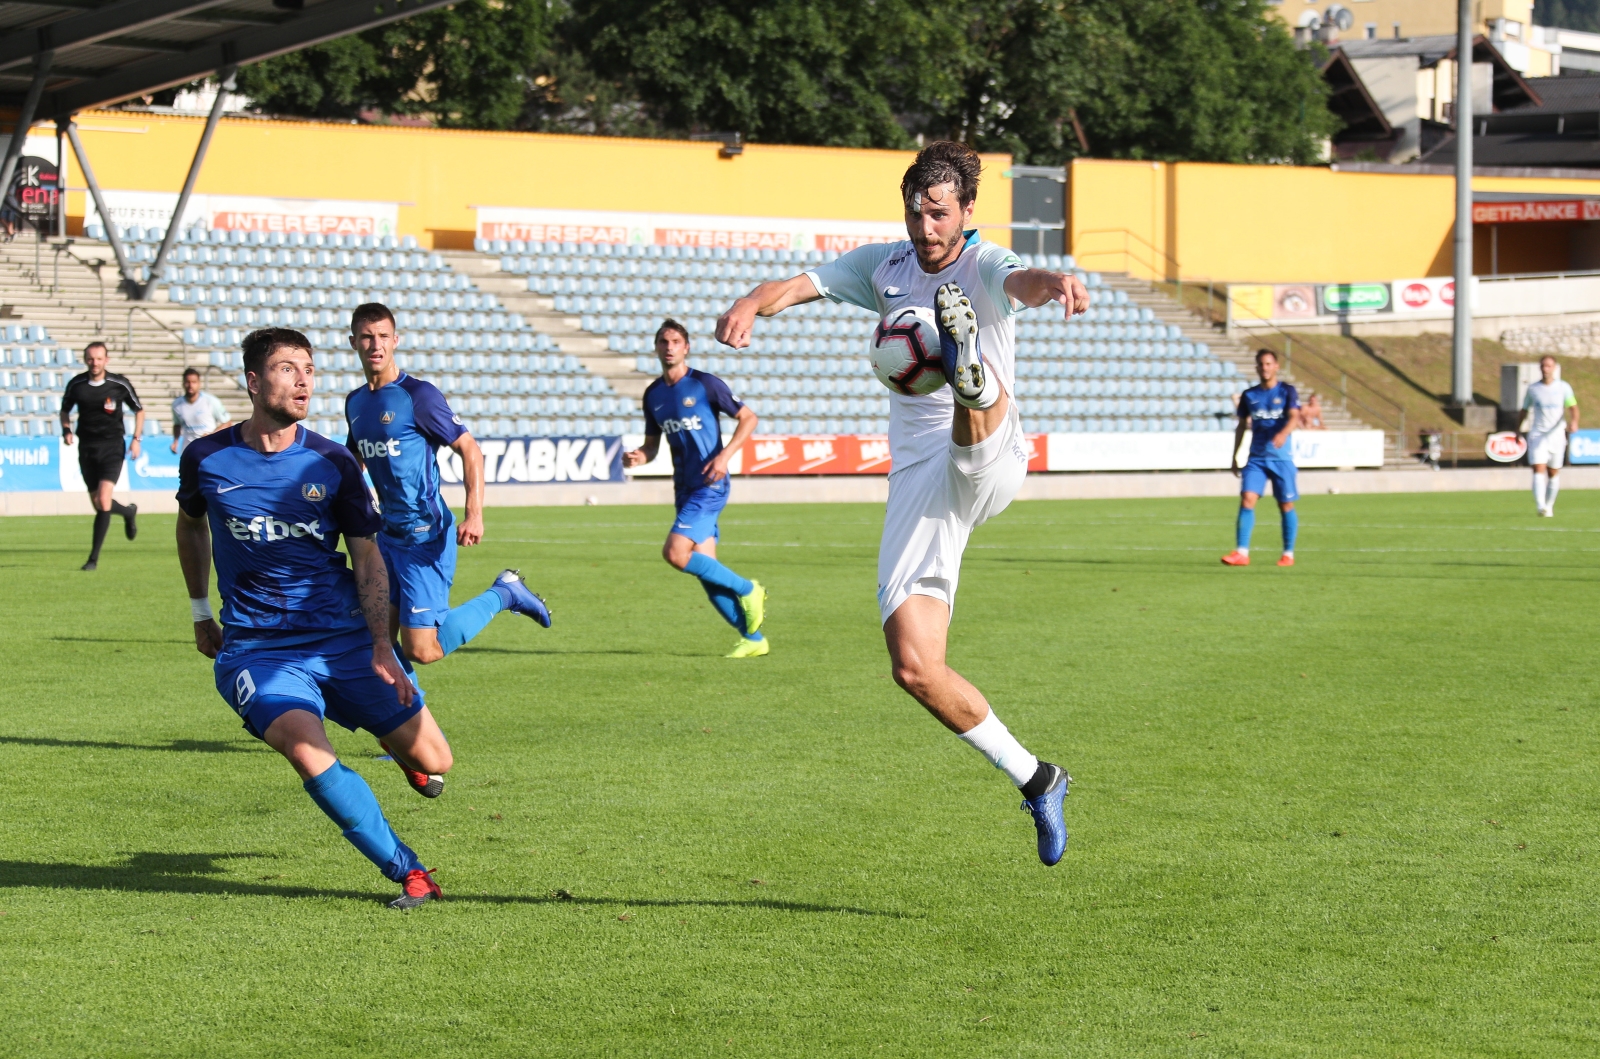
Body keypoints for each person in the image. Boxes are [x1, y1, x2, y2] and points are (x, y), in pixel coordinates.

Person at [713, 141, 1087, 864]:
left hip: (993, 452)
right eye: (916, 211)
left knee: (975, 414)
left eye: (940, 213)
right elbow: (800, 284)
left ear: (968, 211)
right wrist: (749, 304)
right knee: (914, 666)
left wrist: (1058, 280)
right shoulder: (883, 266)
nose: (926, 226)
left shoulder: (986, 263)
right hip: (921, 479)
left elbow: (1029, 281)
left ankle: (966, 367)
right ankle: (1039, 778)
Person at [175, 327, 447, 909]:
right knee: (307, 749)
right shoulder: (205, 457)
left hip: (344, 639)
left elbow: (367, 557)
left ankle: (409, 760)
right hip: (259, 650)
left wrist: (381, 647)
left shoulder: (333, 462)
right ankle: (410, 872)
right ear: (253, 381)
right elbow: (191, 524)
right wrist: (201, 611)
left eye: (309, 368)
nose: (303, 379)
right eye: (287, 368)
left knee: (436, 760)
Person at [343, 302, 550, 791]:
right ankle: (409, 742)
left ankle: (506, 592)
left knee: (423, 648)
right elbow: (353, 459)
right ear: (353, 342)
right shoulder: (355, 402)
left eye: (383, 336)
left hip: (425, 539)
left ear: (396, 340)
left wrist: (475, 510)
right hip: (385, 539)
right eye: (366, 337)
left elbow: (469, 449)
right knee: (378, 644)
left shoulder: (419, 396)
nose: (375, 345)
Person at [622, 319, 767, 657]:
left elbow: (749, 418)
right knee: (707, 572)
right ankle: (754, 640)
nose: (669, 347)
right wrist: (638, 457)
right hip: (684, 488)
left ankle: (749, 589)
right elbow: (652, 447)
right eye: (663, 341)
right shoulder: (653, 395)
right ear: (656, 348)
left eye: (675, 341)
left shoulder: (704, 384)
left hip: (710, 484)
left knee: (674, 553)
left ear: (686, 347)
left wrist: (724, 456)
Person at [60, 340, 142, 571]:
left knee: (104, 499)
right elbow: (65, 410)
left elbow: (139, 410)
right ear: (85, 360)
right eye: (90, 359)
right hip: (86, 447)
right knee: (98, 503)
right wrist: (66, 430)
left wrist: (136, 439)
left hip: (112, 446)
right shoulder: (76, 384)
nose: (94, 363)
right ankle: (127, 512)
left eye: (99, 358)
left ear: (106, 360)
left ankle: (93, 559)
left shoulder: (119, 384)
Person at [1222, 349, 1300, 568]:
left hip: (1281, 459)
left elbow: (1295, 416)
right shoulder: (1249, 396)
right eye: (1261, 364)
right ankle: (1241, 553)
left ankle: (1288, 554)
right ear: (1257, 368)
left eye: (1268, 364)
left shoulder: (1287, 391)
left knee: (1285, 504)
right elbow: (1241, 426)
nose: (1264, 368)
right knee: (1247, 498)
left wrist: (1283, 433)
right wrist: (1235, 456)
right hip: (1256, 458)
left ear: (1276, 366)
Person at [1521, 354, 1579, 517]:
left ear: (1554, 368)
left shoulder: (1563, 387)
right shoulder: (1533, 389)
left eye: (1548, 366)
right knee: (1538, 469)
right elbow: (1524, 410)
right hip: (1538, 434)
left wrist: (1574, 422)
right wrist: (1518, 428)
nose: (1545, 369)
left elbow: (1573, 407)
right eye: (1543, 366)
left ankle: (1549, 505)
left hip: (1557, 435)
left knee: (1553, 472)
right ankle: (1541, 506)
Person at [170, 367, 232, 453]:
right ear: (183, 383)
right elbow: (177, 425)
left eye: (194, 382)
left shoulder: (210, 401)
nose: (190, 385)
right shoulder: (177, 404)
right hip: (188, 450)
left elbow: (227, 422)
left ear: (199, 384)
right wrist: (175, 441)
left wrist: (212, 435)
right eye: (188, 382)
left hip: (208, 448)